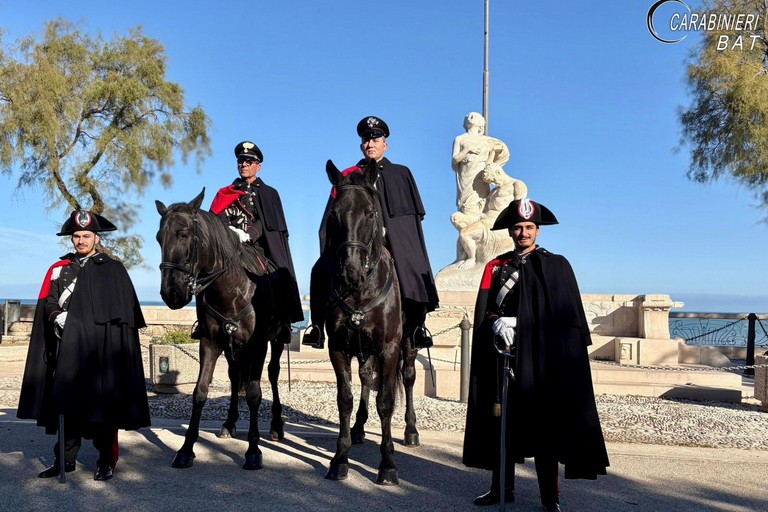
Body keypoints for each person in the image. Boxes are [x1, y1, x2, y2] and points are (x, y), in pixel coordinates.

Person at [462, 198, 609, 511]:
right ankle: (502, 489)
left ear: (537, 231)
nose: (523, 233)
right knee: (502, 428)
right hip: (504, 360)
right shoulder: (496, 266)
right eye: (518, 228)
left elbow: (566, 321)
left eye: (529, 227)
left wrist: (524, 324)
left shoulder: (556, 266)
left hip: (544, 364)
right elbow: (486, 311)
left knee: (545, 431)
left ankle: (549, 498)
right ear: (511, 231)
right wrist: (496, 321)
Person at [17, 210, 150, 482]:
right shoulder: (59, 270)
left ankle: (106, 461)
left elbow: (122, 317)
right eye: (76, 236)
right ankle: (64, 460)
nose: (80, 241)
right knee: (66, 406)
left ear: (96, 238)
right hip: (66, 350)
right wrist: (57, 316)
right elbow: (49, 303)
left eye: (86, 236)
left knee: (102, 408)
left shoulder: (112, 269)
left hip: (98, 352)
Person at [302, 116, 439, 349]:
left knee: (414, 269)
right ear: (361, 145)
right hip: (354, 243)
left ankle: (417, 327)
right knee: (319, 270)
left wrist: (392, 235)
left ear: (385, 144)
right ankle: (316, 327)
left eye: (375, 139)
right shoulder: (347, 176)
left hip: (392, 242)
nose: (370, 143)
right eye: (366, 139)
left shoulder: (400, 173)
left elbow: (411, 222)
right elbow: (330, 218)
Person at [209, 141, 304, 340]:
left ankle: (283, 320)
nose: (244, 164)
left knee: (280, 274)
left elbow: (269, 221)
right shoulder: (226, 193)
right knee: (208, 274)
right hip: (230, 248)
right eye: (241, 161)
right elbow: (217, 218)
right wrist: (231, 231)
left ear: (257, 166)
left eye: (248, 161)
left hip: (260, 248)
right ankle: (203, 323)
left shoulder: (269, 193)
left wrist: (249, 234)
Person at [451, 163, 527, 268]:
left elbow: (519, 209)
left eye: (493, 180)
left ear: (498, 172)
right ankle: (468, 247)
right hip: (483, 217)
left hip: (497, 220)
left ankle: (472, 258)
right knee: (456, 217)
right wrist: (470, 208)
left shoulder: (517, 184)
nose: (493, 183)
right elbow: (482, 206)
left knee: (465, 234)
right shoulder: (494, 190)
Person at [451, 112, 510, 227]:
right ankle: (468, 229)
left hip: (480, 176)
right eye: (468, 115)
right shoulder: (460, 139)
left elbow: (490, 162)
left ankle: (478, 230)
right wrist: (467, 150)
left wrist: (495, 151)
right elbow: (454, 160)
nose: (470, 116)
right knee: (467, 204)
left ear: (481, 124)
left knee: (480, 204)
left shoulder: (486, 140)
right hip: (466, 175)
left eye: (474, 115)